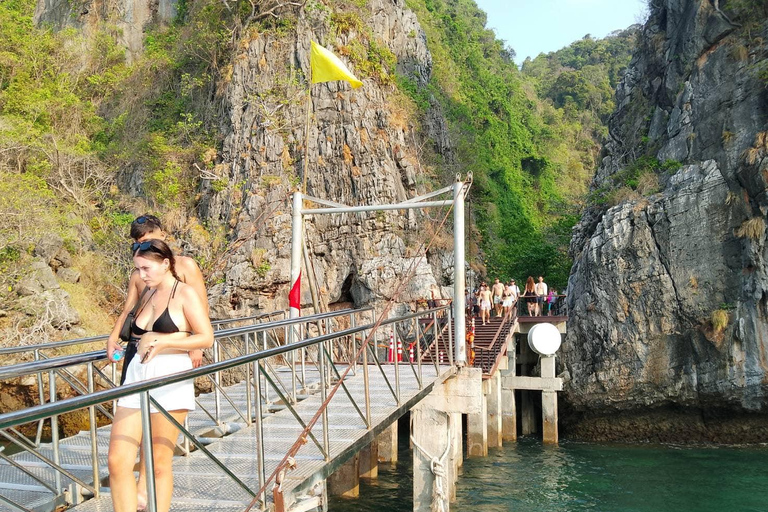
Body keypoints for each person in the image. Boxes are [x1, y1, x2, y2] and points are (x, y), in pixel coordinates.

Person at [105, 214, 208, 510]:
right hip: (137, 371)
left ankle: (150, 499)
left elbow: (204, 330)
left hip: (169, 374)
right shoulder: (144, 284)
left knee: (158, 462)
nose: (140, 273)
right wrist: (114, 336)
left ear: (164, 262)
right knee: (117, 460)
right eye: (137, 266)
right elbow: (128, 310)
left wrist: (175, 344)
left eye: (145, 267)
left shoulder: (185, 276)